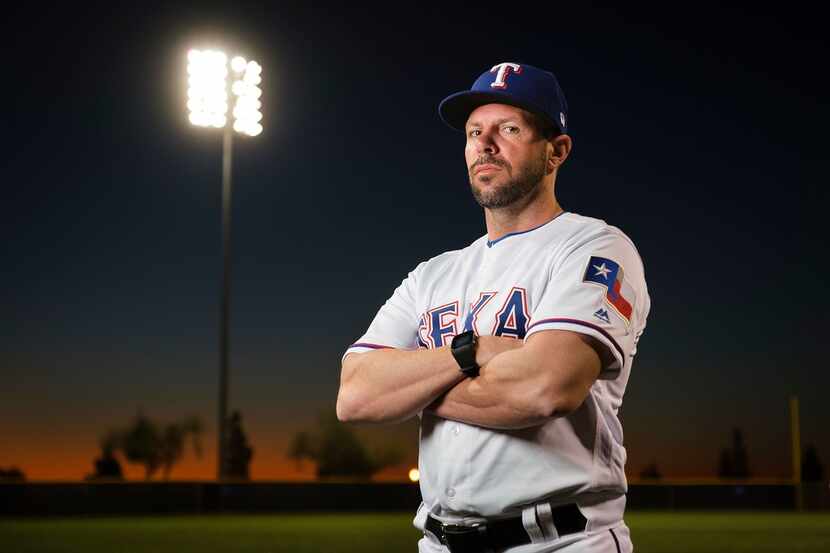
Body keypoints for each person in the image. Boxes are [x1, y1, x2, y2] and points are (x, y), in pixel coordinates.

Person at [337, 62, 650, 553]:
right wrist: (473, 352)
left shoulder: (594, 247)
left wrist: (413, 388)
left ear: (556, 151)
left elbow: (545, 387)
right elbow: (355, 396)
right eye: (473, 132)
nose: (485, 144)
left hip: (562, 541)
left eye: (509, 129)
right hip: (438, 542)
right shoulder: (431, 275)